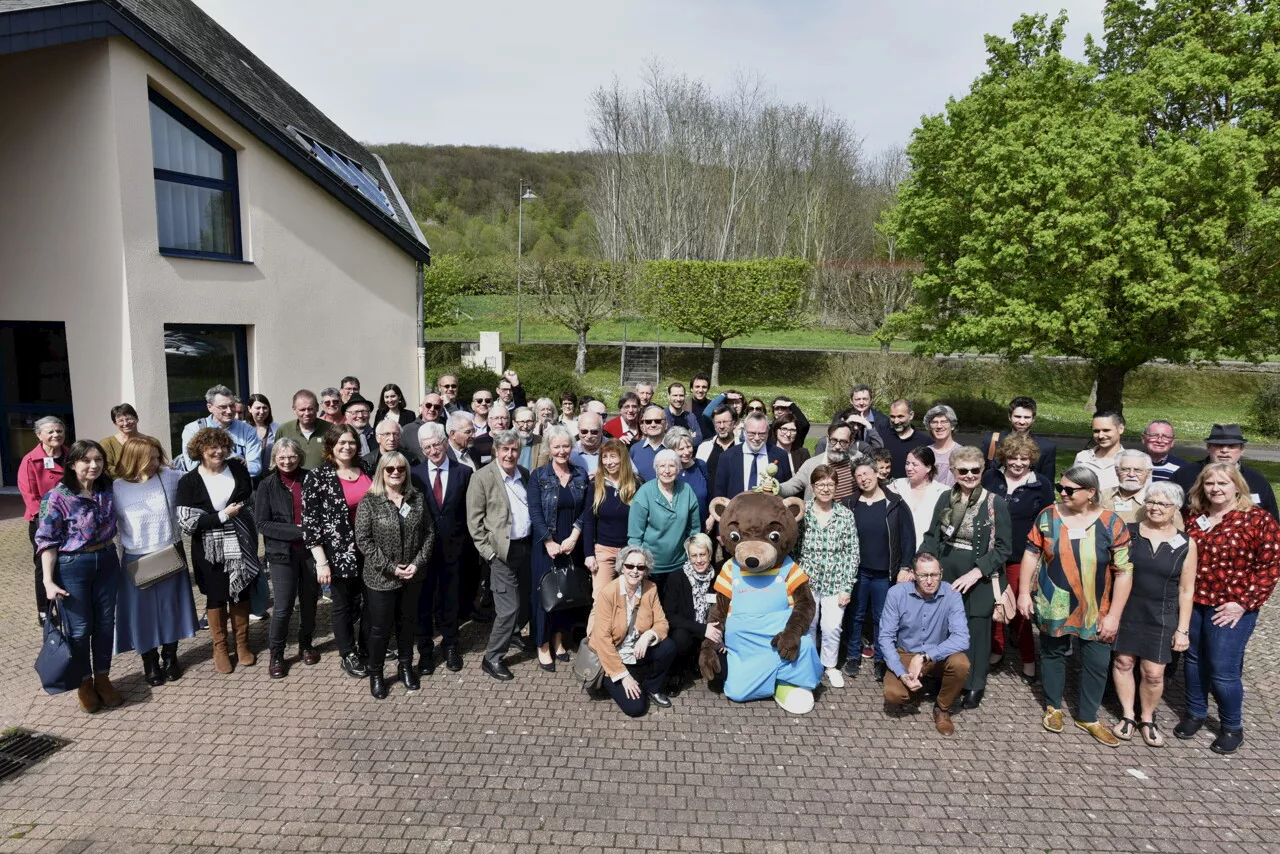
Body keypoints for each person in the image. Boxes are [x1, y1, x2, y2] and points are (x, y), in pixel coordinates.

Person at [1017, 465, 1134, 747]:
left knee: (1096, 662)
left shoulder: (1111, 523)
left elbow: (1124, 571)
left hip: (1097, 606)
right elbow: (1031, 555)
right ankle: (1053, 706)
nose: (1063, 493)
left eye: (1070, 489)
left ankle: (1087, 716)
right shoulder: (1048, 516)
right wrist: (1023, 593)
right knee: (1052, 654)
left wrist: (1115, 615)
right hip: (1053, 600)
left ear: (1091, 493)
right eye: (1061, 488)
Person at [1177, 463, 1280, 754]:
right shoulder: (1194, 517)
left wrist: (1243, 603)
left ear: (1237, 486)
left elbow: (1270, 565)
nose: (1216, 489)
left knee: (1223, 669)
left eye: (1223, 483)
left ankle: (1232, 726)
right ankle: (1196, 713)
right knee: (1194, 660)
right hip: (1194, 602)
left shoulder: (1257, 519)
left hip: (1231, 606)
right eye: (1210, 484)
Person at [918, 445, 1012, 709]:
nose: (969, 475)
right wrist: (919, 564)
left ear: (983, 471)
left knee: (976, 633)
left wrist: (976, 572)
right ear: (953, 471)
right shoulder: (946, 498)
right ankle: (944, 677)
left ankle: (974, 684)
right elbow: (932, 535)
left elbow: (1004, 547)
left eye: (975, 470)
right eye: (963, 470)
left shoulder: (995, 503)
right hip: (946, 571)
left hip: (978, 575)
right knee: (943, 627)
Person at [34, 439, 122, 713]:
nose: (94, 465)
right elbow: (46, 542)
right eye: (86, 460)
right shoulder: (57, 497)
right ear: (72, 465)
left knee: (106, 624)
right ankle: (84, 682)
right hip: (73, 565)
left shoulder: (107, 489)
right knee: (80, 629)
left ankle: (103, 678)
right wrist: (48, 582)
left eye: (98, 460)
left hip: (107, 559)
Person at [1110, 481, 1195, 747]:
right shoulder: (1128, 533)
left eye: (1163, 504)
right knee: (1124, 663)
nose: (1155, 508)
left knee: (1154, 673)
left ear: (1176, 508)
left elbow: (1186, 589)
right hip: (1129, 608)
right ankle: (1128, 715)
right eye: (1151, 502)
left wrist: (1182, 629)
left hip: (1162, 613)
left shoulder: (1186, 543)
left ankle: (1148, 717)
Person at [112, 436, 199, 687]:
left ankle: (171, 658)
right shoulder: (117, 487)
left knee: (171, 610)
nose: (154, 462)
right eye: (148, 458)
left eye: (157, 456)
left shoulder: (171, 477)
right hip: (136, 557)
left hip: (169, 551)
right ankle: (150, 663)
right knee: (143, 616)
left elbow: (200, 478)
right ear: (132, 459)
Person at [175, 428, 261, 674]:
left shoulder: (238, 469)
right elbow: (188, 523)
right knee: (216, 596)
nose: (218, 451)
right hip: (208, 549)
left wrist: (230, 518)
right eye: (212, 447)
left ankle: (243, 645)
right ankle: (220, 647)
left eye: (223, 446)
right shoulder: (189, 481)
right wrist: (223, 516)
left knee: (241, 592)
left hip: (242, 543)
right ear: (200, 450)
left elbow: (247, 501)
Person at [354, 453, 434, 699]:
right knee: (380, 628)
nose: (396, 473)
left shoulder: (417, 498)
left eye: (400, 468)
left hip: (412, 576)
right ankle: (377, 673)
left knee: (407, 623)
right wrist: (391, 567)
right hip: (381, 578)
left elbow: (429, 533)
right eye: (390, 469)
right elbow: (364, 541)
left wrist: (417, 564)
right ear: (382, 472)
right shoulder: (370, 501)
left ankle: (405, 666)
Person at [980, 434, 1053, 684]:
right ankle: (997, 649)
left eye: (1024, 458)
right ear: (1005, 457)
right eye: (1013, 457)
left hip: (1021, 555)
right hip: (990, 551)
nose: (1018, 463)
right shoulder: (991, 478)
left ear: (1031, 459)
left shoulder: (1040, 484)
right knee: (994, 604)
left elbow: (1046, 520)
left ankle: (1029, 657)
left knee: (1020, 608)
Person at [303, 424, 372, 679]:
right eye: (341, 442)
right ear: (331, 446)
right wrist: (321, 561)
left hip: (370, 549)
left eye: (351, 442)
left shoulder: (366, 469)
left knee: (372, 603)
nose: (347, 447)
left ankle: (367, 646)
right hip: (338, 552)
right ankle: (348, 653)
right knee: (343, 605)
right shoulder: (318, 477)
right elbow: (311, 523)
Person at [877, 553, 972, 736]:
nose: (930, 581)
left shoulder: (952, 595)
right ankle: (915, 686)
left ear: (941, 573)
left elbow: (962, 638)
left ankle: (942, 708)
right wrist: (901, 672)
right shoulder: (896, 594)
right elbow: (885, 637)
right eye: (923, 576)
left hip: (938, 653)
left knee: (961, 664)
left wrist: (925, 657)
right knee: (893, 695)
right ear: (913, 574)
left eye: (934, 575)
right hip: (907, 652)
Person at [467, 430, 532, 680]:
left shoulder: (524, 475)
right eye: (505, 449)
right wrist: (490, 554)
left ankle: (514, 634)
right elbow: (474, 522)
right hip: (501, 553)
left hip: (524, 547)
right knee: (508, 608)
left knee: (524, 601)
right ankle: (492, 657)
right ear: (496, 450)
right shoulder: (482, 478)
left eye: (514, 449)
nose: (510, 454)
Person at [844, 461, 916, 680]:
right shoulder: (850, 503)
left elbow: (907, 537)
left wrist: (905, 566)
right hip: (858, 571)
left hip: (885, 572)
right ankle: (853, 656)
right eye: (858, 476)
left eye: (867, 473)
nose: (863, 478)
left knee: (882, 617)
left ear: (877, 474)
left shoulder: (894, 503)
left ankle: (881, 659)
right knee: (855, 615)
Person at [410, 422, 472, 675]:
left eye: (436, 444)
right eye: (427, 448)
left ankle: (450, 646)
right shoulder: (414, 475)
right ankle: (425, 652)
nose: (433, 451)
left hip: (454, 549)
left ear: (445, 442)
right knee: (423, 602)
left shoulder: (464, 473)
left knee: (450, 600)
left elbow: (470, 511)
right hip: (423, 551)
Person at [256, 438, 320, 678]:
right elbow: (262, 523)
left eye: (292, 456)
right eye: (282, 457)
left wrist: (311, 534)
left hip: (311, 552)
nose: (287, 461)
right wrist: (300, 531)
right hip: (281, 553)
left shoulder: (311, 478)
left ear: (299, 456)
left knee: (309, 601)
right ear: (274, 459)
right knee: (283, 607)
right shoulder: (267, 485)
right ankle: (277, 653)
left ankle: (306, 643)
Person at [587, 544, 677, 716]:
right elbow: (602, 639)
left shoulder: (650, 589)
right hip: (612, 657)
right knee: (636, 708)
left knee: (669, 646)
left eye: (640, 567)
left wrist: (649, 636)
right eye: (630, 566)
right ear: (622, 566)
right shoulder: (608, 593)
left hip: (637, 651)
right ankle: (615, 681)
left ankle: (651, 686)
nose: (634, 571)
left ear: (646, 570)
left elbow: (662, 623)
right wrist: (623, 676)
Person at [528, 425, 590, 669]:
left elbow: (587, 509)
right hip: (547, 544)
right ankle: (542, 644)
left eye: (566, 446)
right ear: (549, 448)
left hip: (571, 542)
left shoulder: (580, 474)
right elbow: (534, 511)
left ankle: (558, 640)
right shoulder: (539, 475)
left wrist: (575, 536)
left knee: (566, 593)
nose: (562, 451)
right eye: (557, 446)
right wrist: (548, 541)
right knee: (545, 595)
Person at [793, 465, 858, 689]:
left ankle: (829, 665)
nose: (825, 488)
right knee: (808, 625)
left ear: (836, 487)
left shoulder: (845, 515)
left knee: (832, 627)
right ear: (812, 487)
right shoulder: (803, 511)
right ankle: (810, 664)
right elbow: (794, 547)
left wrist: (847, 587)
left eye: (830, 484)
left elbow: (852, 552)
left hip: (835, 580)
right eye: (820, 484)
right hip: (807, 581)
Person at [628, 449, 701, 596]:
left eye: (672, 466)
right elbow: (635, 536)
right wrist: (638, 565)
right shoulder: (644, 493)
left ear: (678, 469)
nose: (667, 471)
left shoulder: (686, 490)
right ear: (656, 469)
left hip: (679, 565)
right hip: (651, 568)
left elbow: (694, 530)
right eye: (662, 466)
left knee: (675, 611)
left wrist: (692, 558)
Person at [1171, 424, 1279, 521]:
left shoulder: (1257, 480)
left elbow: (1273, 521)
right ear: (1208, 447)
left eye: (1231, 446)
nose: (1224, 450)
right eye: (1218, 445)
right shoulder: (1185, 474)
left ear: (1242, 450)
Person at [20, 415, 67, 624]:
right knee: (44, 565)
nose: (56, 435)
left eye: (59, 430)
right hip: (44, 522)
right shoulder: (30, 460)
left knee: (67, 563)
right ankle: (45, 610)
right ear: (39, 435)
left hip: (71, 520)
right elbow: (30, 495)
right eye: (50, 431)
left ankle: (68, 604)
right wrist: (48, 519)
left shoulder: (72, 454)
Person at [661, 534, 721, 691]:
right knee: (681, 637)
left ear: (710, 554)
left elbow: (724, 609)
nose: (699, 560)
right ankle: (677, 672)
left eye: (703, 554)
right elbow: (671, 616)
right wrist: (703, 629)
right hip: (687, 630)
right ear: (688, 556)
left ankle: (697, 661)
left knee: (720, 679)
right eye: (694, 555)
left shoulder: (718, 578)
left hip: (710, 631)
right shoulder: (677, 577)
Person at [583, 439, 641, 597]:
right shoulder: (595, 485)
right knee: (601, 599)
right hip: (604, 550)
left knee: (630, 599)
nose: (609, 462)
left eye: (613, 457)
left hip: (630, 550)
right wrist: (589, 554)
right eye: (605, 457)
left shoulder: (636, 484)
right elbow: (588, 521)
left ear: (622, 458)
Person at [179, 385, 263, 477]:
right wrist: (233, 464)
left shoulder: (247, 430)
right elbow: (192, 466)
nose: (229, 411)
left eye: (232, 405)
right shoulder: (194, 429)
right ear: (210, 407)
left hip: (239, 488)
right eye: (223, 407)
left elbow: (255, 468)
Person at [781, 422, 870, 505]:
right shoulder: (812, 464)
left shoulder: (858, 458)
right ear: (827, 439)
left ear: (851, 442)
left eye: (843, 442)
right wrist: (774, 486)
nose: (837, 446)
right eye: (833, 440)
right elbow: (793, 485)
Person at [712, 412, 792, 500]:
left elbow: (787, 491)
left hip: (770, 512)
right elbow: (720, 495)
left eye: (761, 434)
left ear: (768, 433)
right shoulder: (727, 457)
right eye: (752, 433)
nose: (757, 438)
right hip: (737, 511)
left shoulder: (780, 456)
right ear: (744, 432)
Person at [978, 396, 1057, 479]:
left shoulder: (1046, 448)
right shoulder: (992, 440)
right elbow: (979, 473)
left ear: (1033, 418)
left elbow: (1047, 484)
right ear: (1009, 416)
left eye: (1026, 417)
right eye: (1017, 417)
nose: (1022, 422)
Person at [890, 446, 949, 551]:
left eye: (915, 464)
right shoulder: (896, 486)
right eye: (907, 463)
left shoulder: (942, 492)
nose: (909, 468)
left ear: (928, 467)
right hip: (899, 550)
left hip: (927, 552)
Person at [1101, 449, 1166, 524]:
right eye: (1125, 469)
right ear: (1116, 471)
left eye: (1138, 470)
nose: (1131, 474)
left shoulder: (1160, 501)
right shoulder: (1101, 496)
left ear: (1149, 473)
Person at [666, 428, 711, 529]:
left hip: (702, 526)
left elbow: (709, 495)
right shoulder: (667, 471)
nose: (686, 452)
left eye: (689, 447)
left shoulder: (701, 465)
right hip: (677, 529)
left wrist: (711, 518)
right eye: (681, 449)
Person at [1073, 411, 1126, 492]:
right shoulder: (1082, 458)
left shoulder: (1131, 460)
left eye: (1106, 430)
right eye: (1096, 431)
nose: (1100, 436)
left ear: (1120, 429)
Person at [276, 390, 329, 470]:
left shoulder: (330, 429)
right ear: (294, 410)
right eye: (302, 410)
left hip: (323, 480)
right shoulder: (284, 430)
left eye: (310, 409)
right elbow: (276, 458)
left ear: (317, 407)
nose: (307, 413)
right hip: (294, 481)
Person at [100, 403, 156, 477]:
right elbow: (106, 468)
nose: (125, 423)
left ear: (137, 419)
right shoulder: (107, 443)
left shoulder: (152, 441)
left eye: (129, 418)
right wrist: (134, 469)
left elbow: (159, 463)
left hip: (150, 483)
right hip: (119, 486)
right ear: (115, 424)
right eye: (121, 421)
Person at [882, 399, 930, 479]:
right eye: (893, 417)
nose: (896, 421)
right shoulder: (882, 437)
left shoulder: (925, 442)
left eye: (900, 416)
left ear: (911, 415)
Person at [695, 404, 740, 487]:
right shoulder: (705, 447)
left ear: (734, 423)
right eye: (718, 422)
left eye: (725, 422)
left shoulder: (742, 447)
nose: (721, 426)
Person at [629, 405, 668, 482]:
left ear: (666, 424)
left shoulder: (674, 447)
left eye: (657, 421)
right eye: (648, 422)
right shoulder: (635, 449)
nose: (653, 425)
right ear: (643, 426)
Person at [923, 405, 959, 486]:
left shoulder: (962, 453)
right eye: (934, 422)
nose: (939, 426)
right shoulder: (925, 452)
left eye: (944, 422)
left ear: (952, 425)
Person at [245, 393, 279, 477]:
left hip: (271, 478)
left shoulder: (277, 428)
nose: (262, 411)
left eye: (265, 408)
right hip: (248, 478)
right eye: (258, 408)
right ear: (249, 409)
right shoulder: (243, 428)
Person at [770, 411, 810, 477]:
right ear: (776, 430)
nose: (788, 434)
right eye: (784, 429)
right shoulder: (768, 451)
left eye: (793, 430)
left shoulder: (803, 454)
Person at [570, 411, 603, 478]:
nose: (589, 436)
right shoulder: (569, 452)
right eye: (584, 431)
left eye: (594, 432)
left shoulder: (616, 448)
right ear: (578, 430)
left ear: (602, 430)